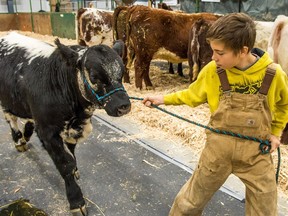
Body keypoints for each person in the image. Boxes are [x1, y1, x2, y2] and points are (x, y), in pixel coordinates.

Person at [142, 13, 288, 216]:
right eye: (213, 51)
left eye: (220, 52)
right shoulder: (213, 71)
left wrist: (275, 132)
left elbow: (284, 104)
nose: (213, 57)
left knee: (265, 207)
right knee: (189, 203)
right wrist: (163, 99)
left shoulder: (274, 74)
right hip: (217, 152)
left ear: (243, 50)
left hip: (256, 153)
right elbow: (192, 95)